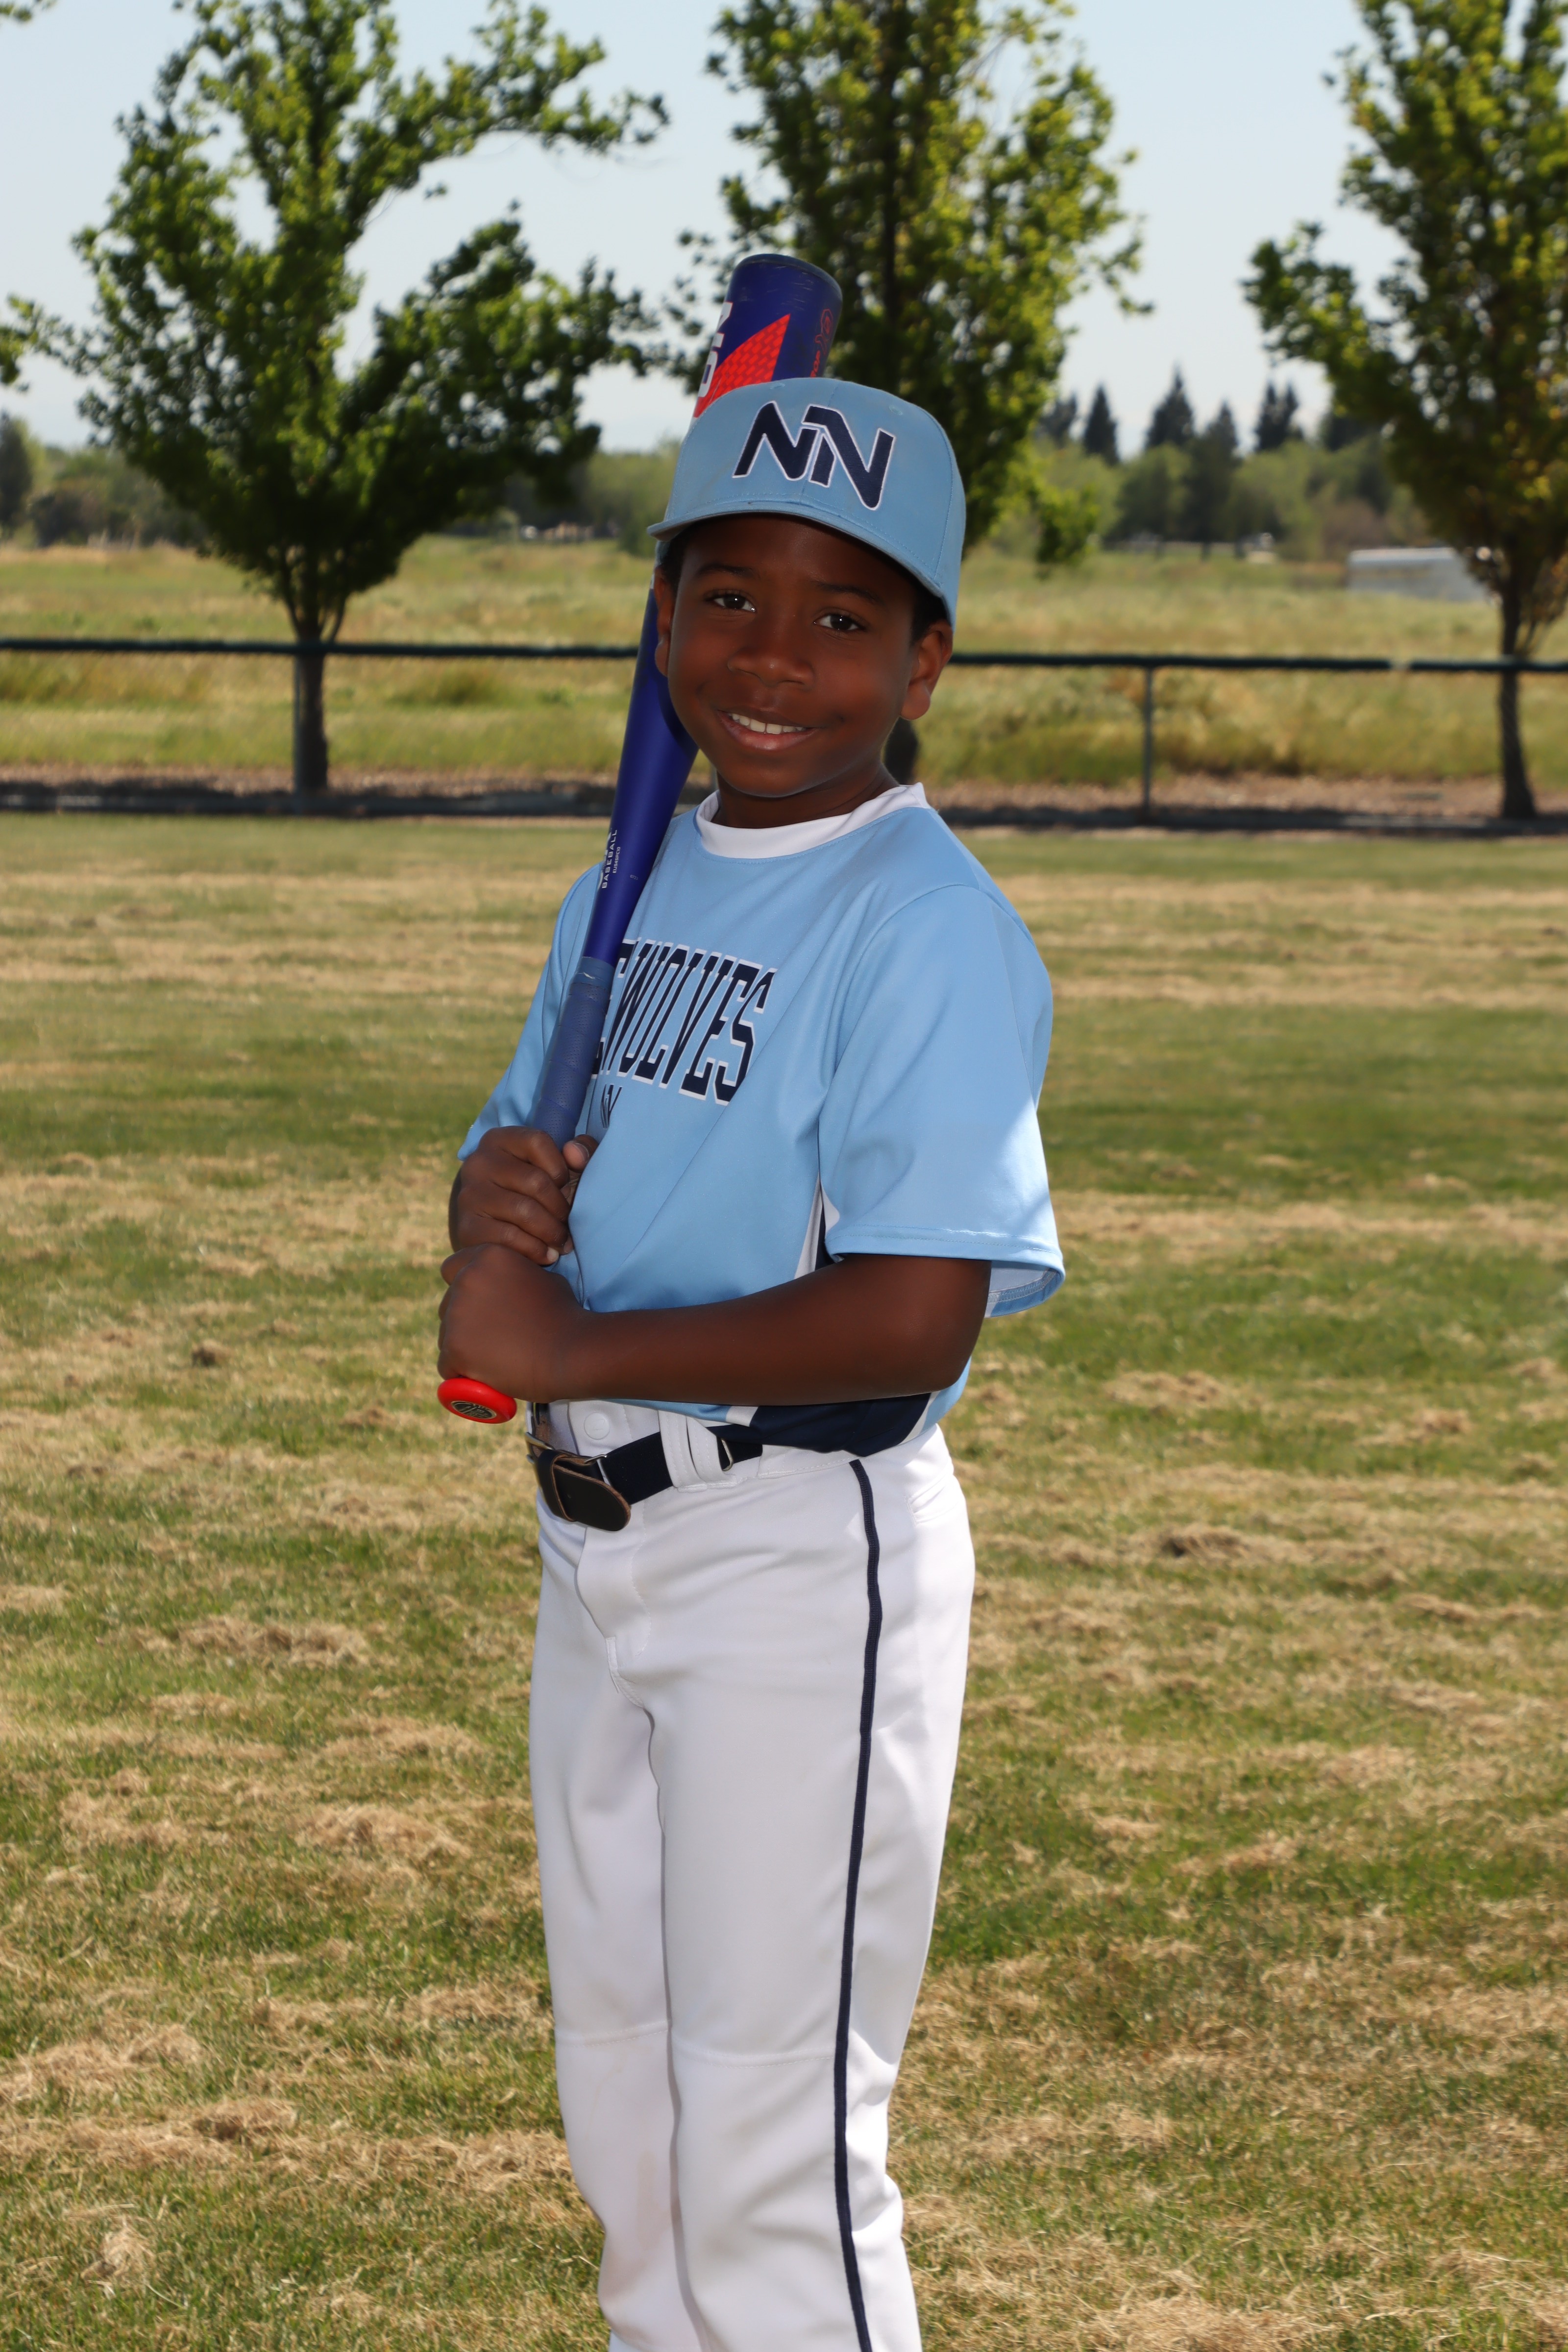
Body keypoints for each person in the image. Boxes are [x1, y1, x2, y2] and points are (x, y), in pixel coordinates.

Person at [439, 376, 1063, 2352]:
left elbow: (910, 1316)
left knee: (771, 2152)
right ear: (662, 622)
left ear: (924, 663)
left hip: (797, 1550)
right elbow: (521, 1157)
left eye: (841, 617)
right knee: (630, 2122)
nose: (775, 658)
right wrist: (489, 1201)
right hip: (597, 1544)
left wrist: (568, 1336)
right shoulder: (628, 883)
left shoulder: (923, 923)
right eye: (728, 599)